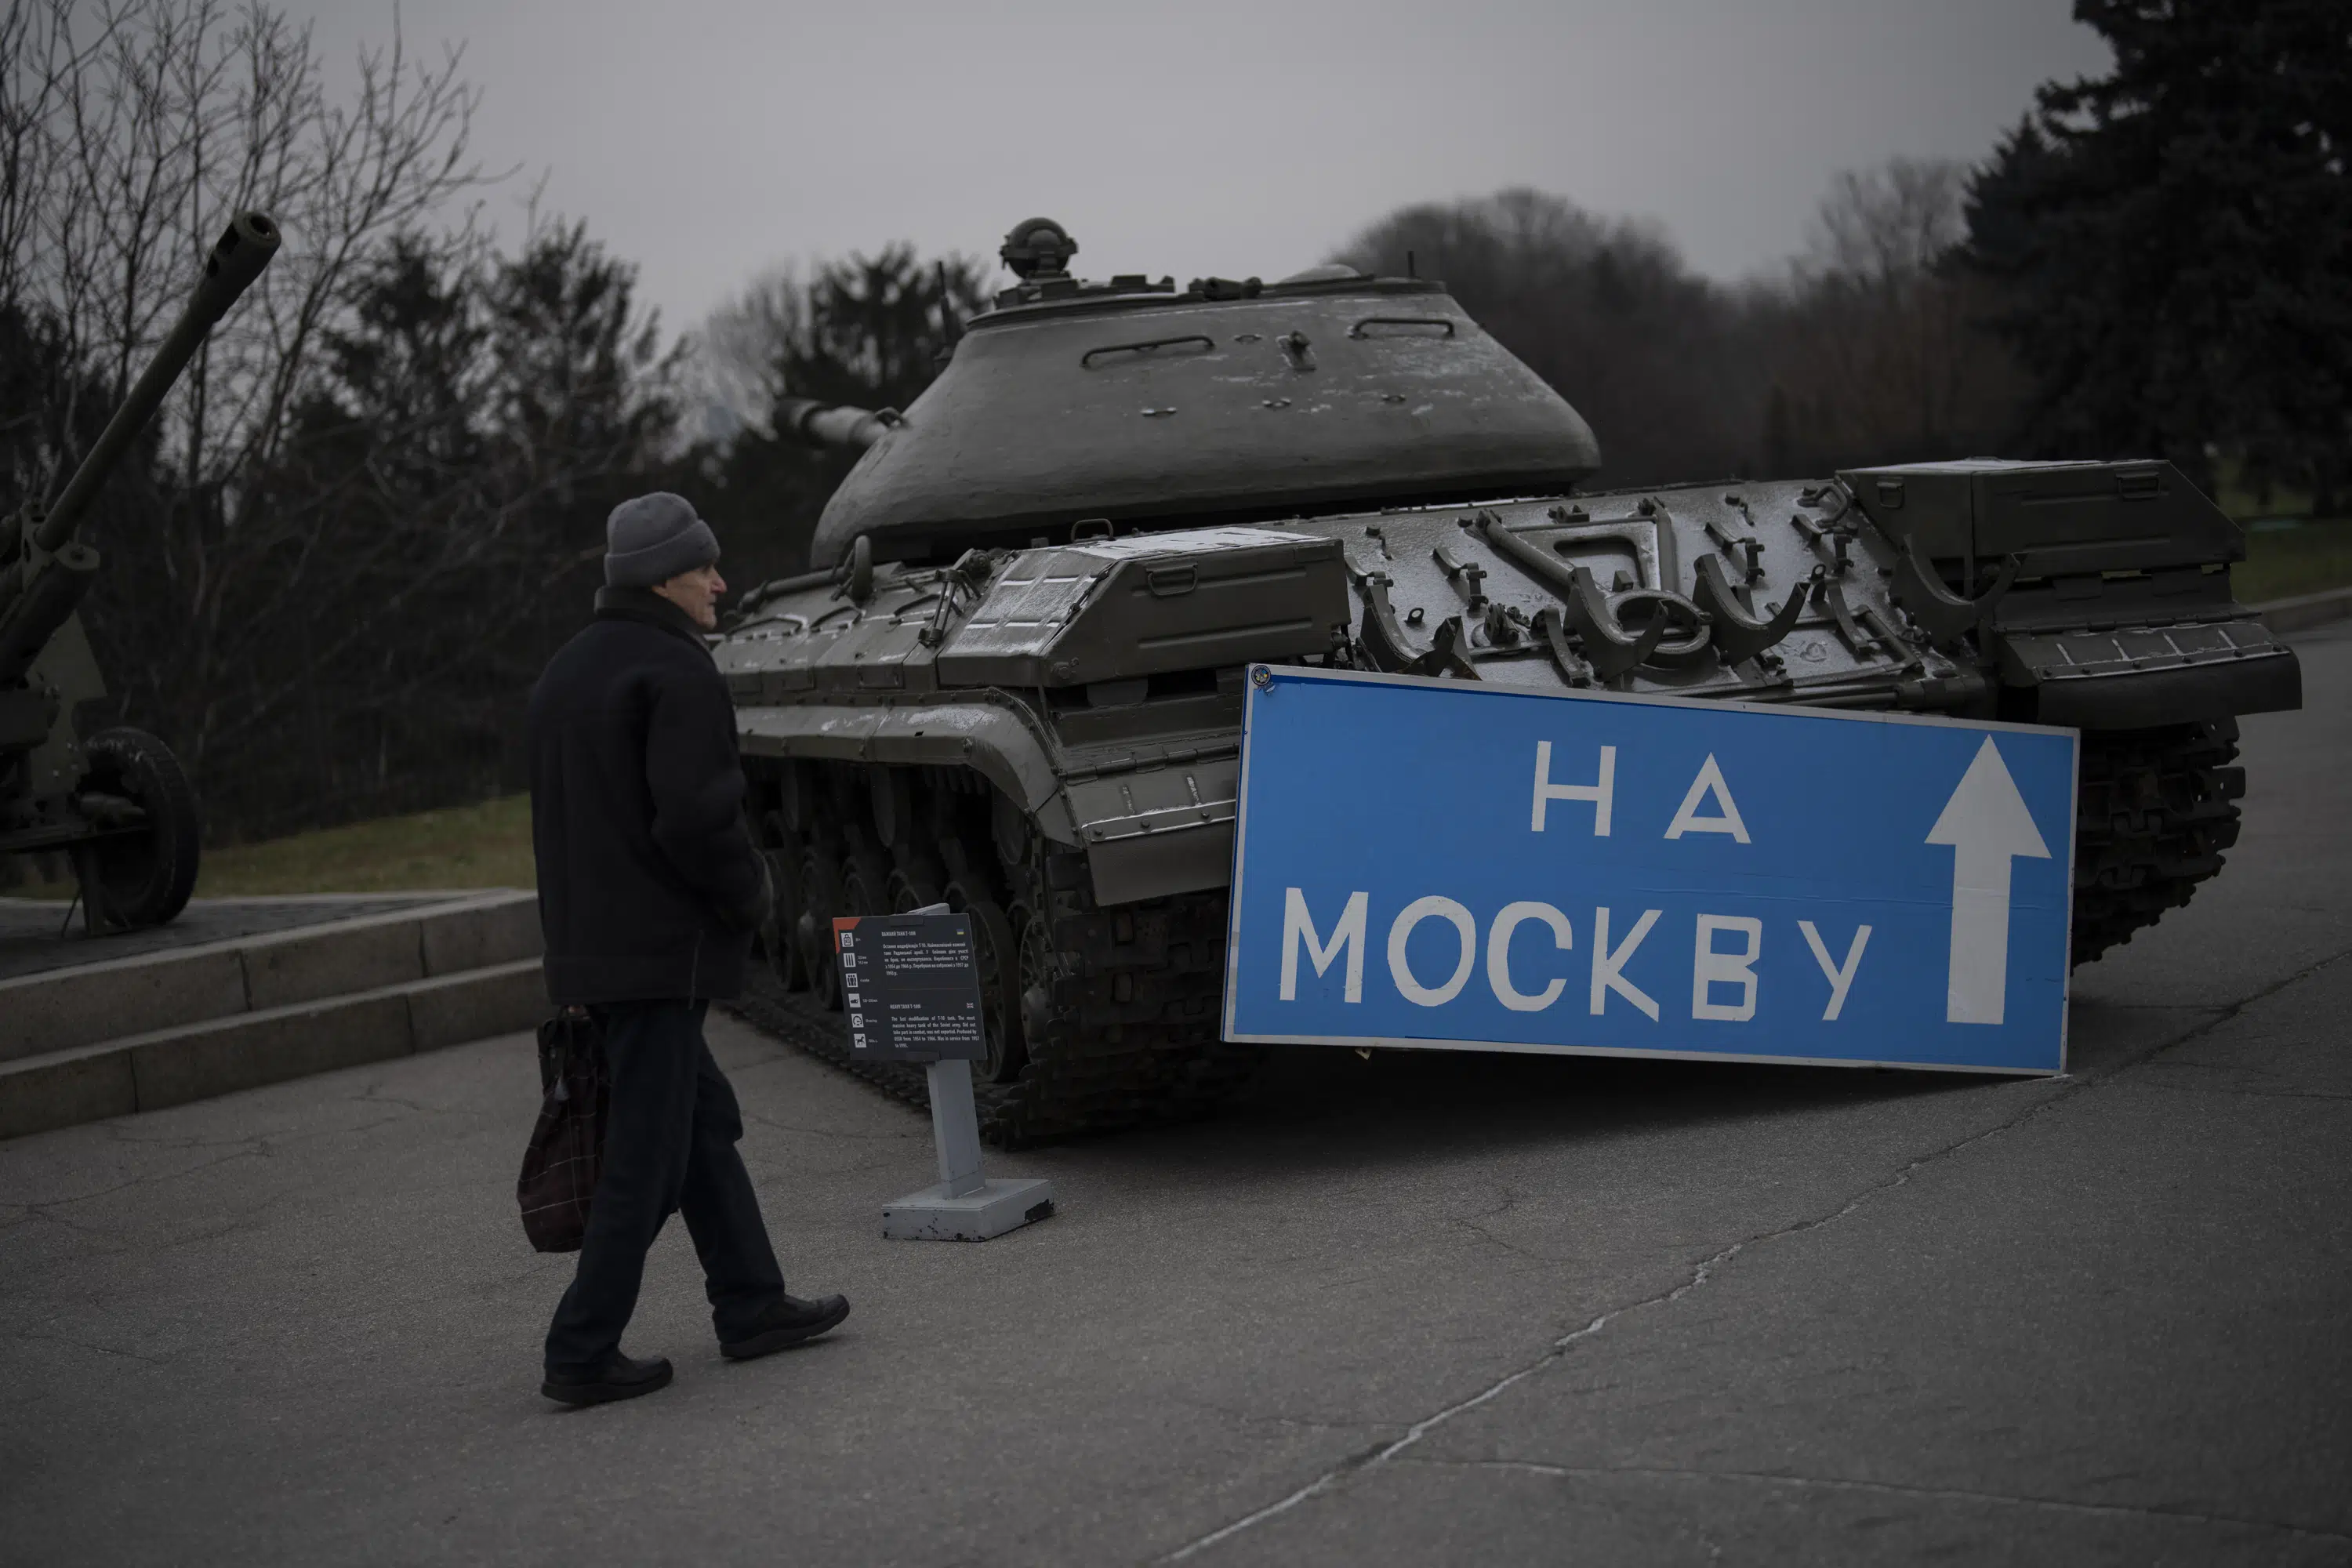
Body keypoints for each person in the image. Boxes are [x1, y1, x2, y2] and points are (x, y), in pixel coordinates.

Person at [528, 491, 848, 1407]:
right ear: (663, 577)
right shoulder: (676, 670)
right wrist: (750, 894)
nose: (720, 581)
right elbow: (698, 819)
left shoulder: (566, 672)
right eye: (704, 567)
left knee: (700, 1125)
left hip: (597, 950)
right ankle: (581, 1344)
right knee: (647, 1151)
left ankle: (751, 1303)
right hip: (659, 952)